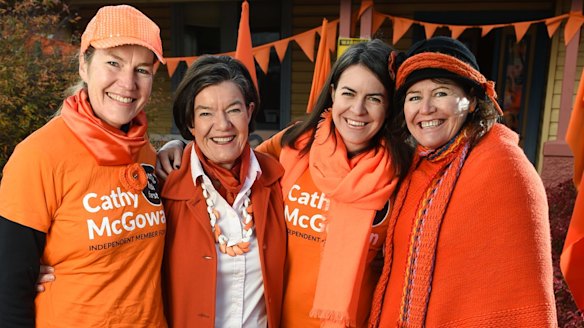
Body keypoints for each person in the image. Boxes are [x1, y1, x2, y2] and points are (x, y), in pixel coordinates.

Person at [157, 39, 409, 327]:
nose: (358, 109)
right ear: (333, 94)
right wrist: (176, 146)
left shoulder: (400, 173)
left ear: (389, 106)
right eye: (349, 93)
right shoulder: (294, 148)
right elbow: (229, 152)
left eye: (374, 98)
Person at [367, 36, 557, 327]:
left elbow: (520, 294)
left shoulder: (504, 167)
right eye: (414, 97)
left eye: (441, 93)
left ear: (470, 102)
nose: (426, 108)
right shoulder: (411, 168)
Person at [0, 5, 167, 327]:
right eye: (113, 64)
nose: (128, 83)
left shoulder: (144, 151)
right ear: (83, 66)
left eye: (142, 70)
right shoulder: (38, 155)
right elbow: (9, 289)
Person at [161, 55, 286, 327]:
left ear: (249, 112)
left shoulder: (278, 180)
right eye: (206, 113)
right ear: (191, 123)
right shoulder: (165, 186)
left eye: (233, 110)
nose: (222, 125)